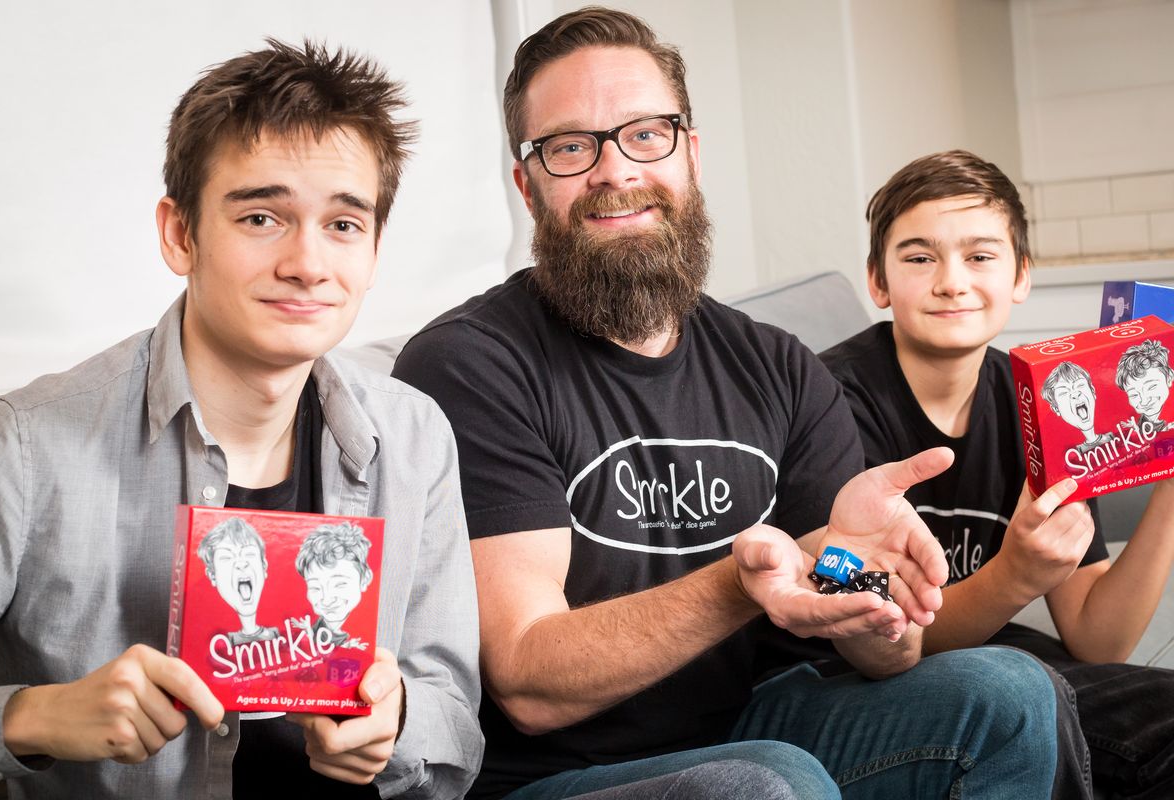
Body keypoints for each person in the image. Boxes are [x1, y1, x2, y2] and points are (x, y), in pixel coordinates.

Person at [393, 9, 1066, 799]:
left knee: (1011, 695)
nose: (615, 171)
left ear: (690, 152)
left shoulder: (777, 366)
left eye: (646, 133)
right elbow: (529, 683)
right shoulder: (470, 364)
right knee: (766, 783)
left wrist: (878, 598)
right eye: (570, 147)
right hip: (554, 776)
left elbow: (882, 648)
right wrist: (735, 583)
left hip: (745, 724)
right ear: (529, 184)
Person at [0, 39, 482, 799]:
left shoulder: (414, 438)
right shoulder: (23, 445)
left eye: (344, 225)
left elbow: (456, 726)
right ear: (181, 234)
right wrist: (30, 719)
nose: (308, 263)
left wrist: (398, 721)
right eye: (261, 217)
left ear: (374, 250)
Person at [821, 148, 1174, 798]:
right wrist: (1013, 577)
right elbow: (876, 627)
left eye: (980, 256)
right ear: (877, 280)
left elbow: (1098, 638)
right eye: (920, 257)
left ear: (1020, 277)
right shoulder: (827, 402)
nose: (953, 281)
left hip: (996, 663)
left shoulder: (1043, 402)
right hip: (851, 685)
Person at [197, 517, 282, 646]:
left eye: (249, 554)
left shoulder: (276, 634)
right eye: (226, 558)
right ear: (212, 576)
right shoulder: (221, 642)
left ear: (264, 566)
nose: (241, 563)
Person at [295, 521, 376, 650]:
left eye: (340, 584)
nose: (326, 600)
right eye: (315, 587)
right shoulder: (315, 628)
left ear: (365, 580)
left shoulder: (363, 628)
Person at [1115, 339, 1174, 432]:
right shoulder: (1141, 420)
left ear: (1169, 377)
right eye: (1134, 394)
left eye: (1152, 387)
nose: (1144, 401)